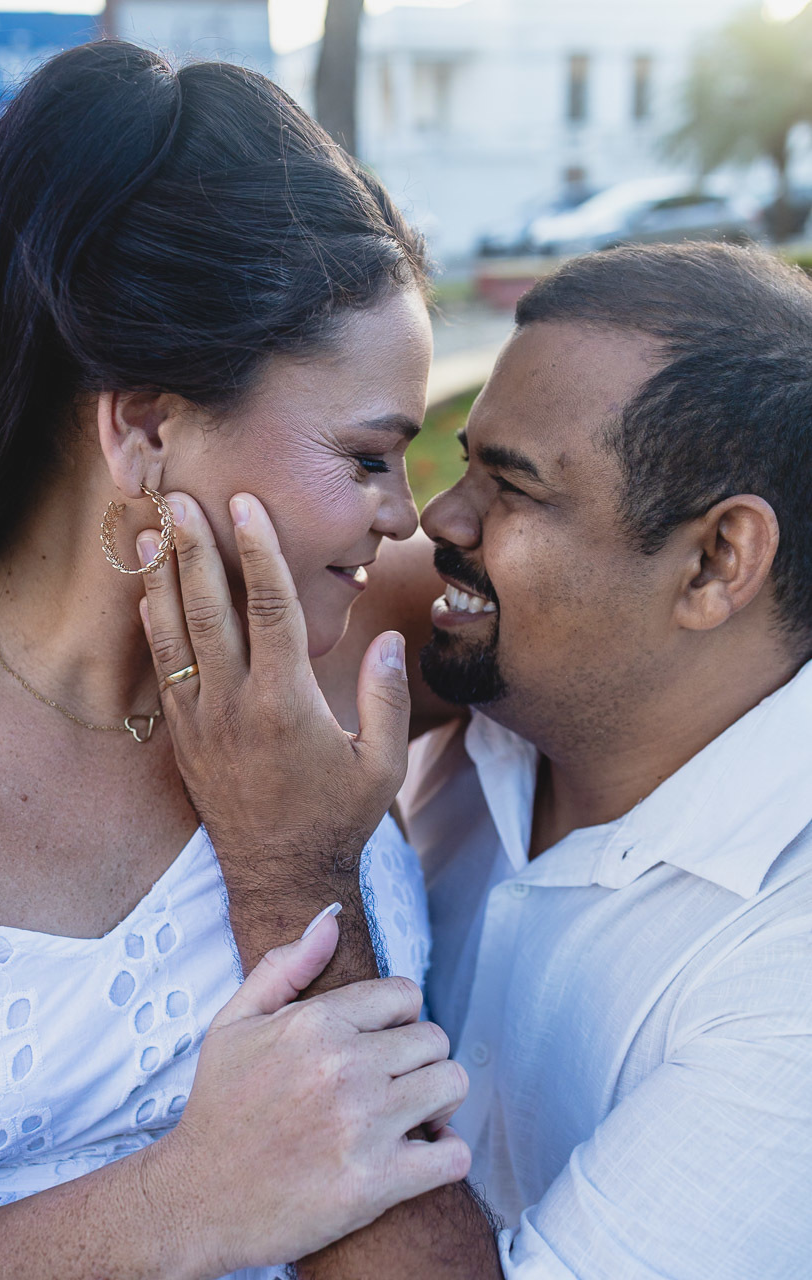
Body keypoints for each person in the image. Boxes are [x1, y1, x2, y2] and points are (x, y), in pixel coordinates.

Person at [153, 242, 812, 1279]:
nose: (435, 517)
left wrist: (289, 872)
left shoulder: (786, 984)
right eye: (461, 460)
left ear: (714, 560)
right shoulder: (530, 669)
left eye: (510, 485)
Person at [0, 40, 472, 1278]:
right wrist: (178, 1203)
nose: (406, 515)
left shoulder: (354, 628)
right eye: (365, 456)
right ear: (143, 426)